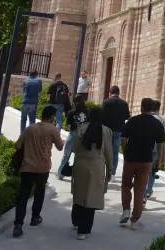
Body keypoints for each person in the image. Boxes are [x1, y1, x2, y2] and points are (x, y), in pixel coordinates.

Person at [13, 105, 64, 237]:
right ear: (52, 117)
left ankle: (18, 224)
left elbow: (17, 145)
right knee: (39, 192)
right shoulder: (53, 130)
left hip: (27, 167)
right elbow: (59, 147)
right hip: (43, 167)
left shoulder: (30, 128)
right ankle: (35, 218)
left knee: (23, 196)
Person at [119, 98, 165, 229]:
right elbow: (160, 144)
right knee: (140, 189)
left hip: (130, 158)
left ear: (141, 107)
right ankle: (134, 220)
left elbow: (123, 138)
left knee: (126, 185)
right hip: (146, 160)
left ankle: (126, 210)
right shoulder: (157, 124)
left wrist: (125, 150)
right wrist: (159, 160)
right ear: (152, 108)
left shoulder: (132, 120)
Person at [70, 107, 113, 240]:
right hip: (97, 166)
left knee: (79, 193)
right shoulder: (106, 131)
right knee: (91, 197)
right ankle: (84, 230)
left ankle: (76, 221)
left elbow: (75, 149)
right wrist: (109, 169)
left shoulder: (81, 129)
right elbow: (109, 153)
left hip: (81, 165)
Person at [57, 95, 89, 181]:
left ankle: (60, 173)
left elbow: (68, 125)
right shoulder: (88, 112)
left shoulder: (71, 112)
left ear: (74, 102)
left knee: (66, 155)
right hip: (84, 135)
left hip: (73, 134)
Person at [101, 85, 130, 174]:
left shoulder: (106, 102)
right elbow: (127, 116)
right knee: (115, 152)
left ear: (110, 93)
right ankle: (112, 173)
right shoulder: (124, 103)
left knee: (104, 151)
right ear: (118, 93)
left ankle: (104, 171)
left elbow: (102, 116)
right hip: (118, 130)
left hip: (107, 130)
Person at [144, 99, 165, 199]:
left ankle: (143, 193)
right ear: (159, 108)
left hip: (145, 148)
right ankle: (148, 191)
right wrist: (163, 154)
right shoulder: (161, 120)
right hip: (155, 149)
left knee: (144, 171)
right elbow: (162, 139)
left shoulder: (144, 118)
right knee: (152, 171)